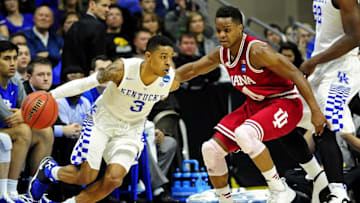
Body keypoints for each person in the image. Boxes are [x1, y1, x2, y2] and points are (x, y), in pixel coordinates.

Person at [175, 6, 328, 203]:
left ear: (240, 28)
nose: (222, 35)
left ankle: (280, 189)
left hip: (285, 101)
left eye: (227, 30)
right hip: (255, 104)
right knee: (210, 149)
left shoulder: (257, 50)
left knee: (244, 133)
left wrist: (315, 110)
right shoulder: (221, 53)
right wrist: (169, 80)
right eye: (219, 30)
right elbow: (194, 69)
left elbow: (296, 74)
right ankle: (225, 200)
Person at [29, 35, 180, 203]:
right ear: (148, 56)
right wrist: (51, 96)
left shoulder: (167, 79)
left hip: (130, 130)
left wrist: (216, 56)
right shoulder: (123, 69)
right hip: (102, 121)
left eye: (170, 58)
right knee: (86, 176)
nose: (168, 62)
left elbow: (196, 68)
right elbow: (85, 83)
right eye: (163, 57)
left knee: (114, 179)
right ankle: (50, 171)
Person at [298, 0, 360, 202]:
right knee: (286, 113)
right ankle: (316, 176)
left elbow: (355, 36)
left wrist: (314, 60)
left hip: (343, 68)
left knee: (325, 119)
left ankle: (339, 193)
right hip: (321, 64)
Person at [0, 41, 53, 203]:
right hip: (7, 130)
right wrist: (26, 115)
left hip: (7, 132)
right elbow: (5, 115)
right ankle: (9, 192)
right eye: (6, 58)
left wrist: (25, 115)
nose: (12, 63)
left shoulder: (15, 82)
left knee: (45, 130)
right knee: (23, 130)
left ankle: (35, 190)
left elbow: (31, 111)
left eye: (14, 58)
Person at [61, 0, 110, 81]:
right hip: (88, 80)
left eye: (108, 6)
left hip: (69, 81)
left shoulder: (75, 25)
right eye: (104, 5)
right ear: (92, 4)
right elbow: (99, 59)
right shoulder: (98, 26)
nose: (107, 10)